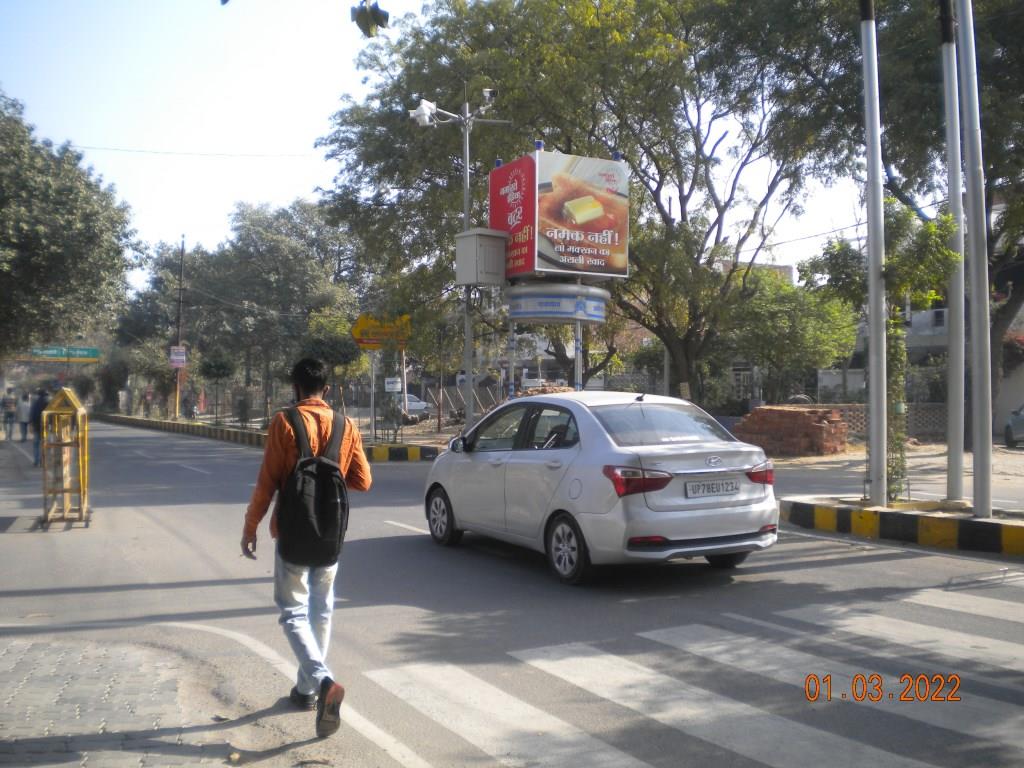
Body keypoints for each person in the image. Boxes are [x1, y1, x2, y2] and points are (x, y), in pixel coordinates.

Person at [240, 358, 372, 738]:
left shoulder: (284, 422)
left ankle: (322, 679)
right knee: (322, 610)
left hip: (293, 533)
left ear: (295, 388)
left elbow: (267, 482)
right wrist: (334, 461)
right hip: (331, 534)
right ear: (326, 390)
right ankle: (306, 691)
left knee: (293, 612)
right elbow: (363, 481)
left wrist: (251, 527)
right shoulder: (346, 426)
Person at [29, 389, 50, 466]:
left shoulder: (35, 403)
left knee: (36, 444)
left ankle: (36, 461)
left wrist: (31, 424)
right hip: (45, 426)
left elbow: (32, 415)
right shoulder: (48, 403)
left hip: (36, 426)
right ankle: (43, 461)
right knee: (44, 444)